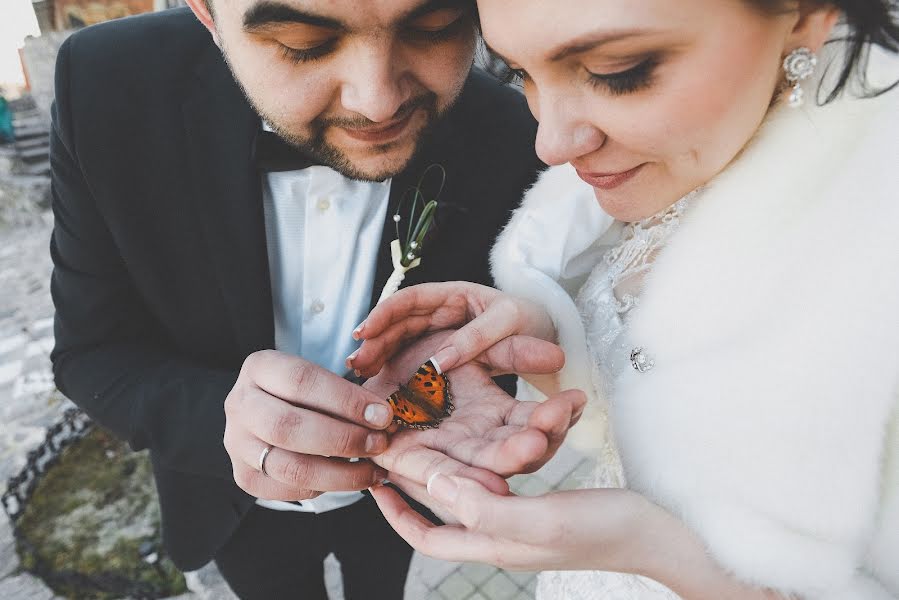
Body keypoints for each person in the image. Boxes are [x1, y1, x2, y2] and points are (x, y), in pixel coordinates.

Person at [352, 0, 899, 598]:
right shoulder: (672, 154)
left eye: (618, 71)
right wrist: (546, 333)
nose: (550, 144)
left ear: (804, 14)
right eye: (519, 73)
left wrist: (654, 550)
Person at [48, 0, 587, 598]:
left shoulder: (513, 126)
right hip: (233, 507)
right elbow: (91, 352)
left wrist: (478, 358)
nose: (377, 101)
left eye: (432, 28)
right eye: (303, 43)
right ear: (206, 12)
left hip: (411, 489)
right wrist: (223, 417)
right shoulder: (104, 85)